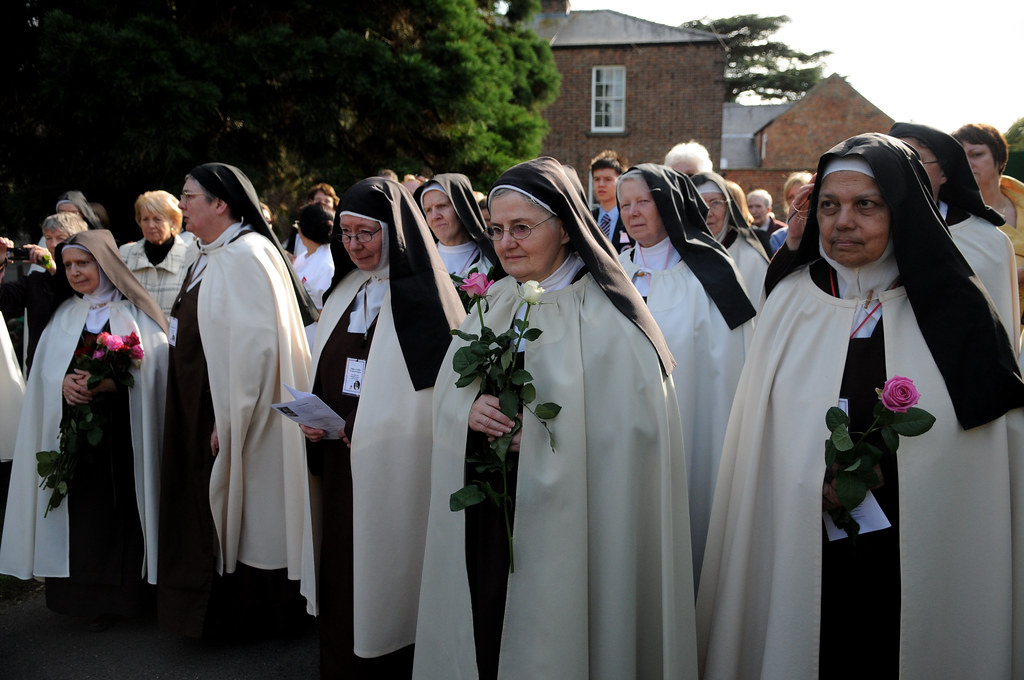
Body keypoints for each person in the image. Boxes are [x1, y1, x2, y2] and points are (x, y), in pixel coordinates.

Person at [696, 134, 1024, 679]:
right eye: (830, 205)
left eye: (865, 205)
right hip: (804, 538)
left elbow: (986, 450)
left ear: (904, 210)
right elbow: (762, 438)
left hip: (923, 547)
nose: (843, 221)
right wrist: (812, 476)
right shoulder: (791, 302)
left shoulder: (958, 310)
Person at [414, 157, 697, 679]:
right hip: (491, 518)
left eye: (522, 228)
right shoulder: (493, 300)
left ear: (565, 228)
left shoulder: (613, 316)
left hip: (578, 524)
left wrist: (551, 437)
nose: (506, 243)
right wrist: (468, 410)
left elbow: (639, 430)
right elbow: (449, 393)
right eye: (496, 229)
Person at [299, 177, 464, 677]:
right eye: (345, 234)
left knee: (385, 570)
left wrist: (371, 427)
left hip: (390, 465)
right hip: (337, 453)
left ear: (393, 232)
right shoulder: (346, 286)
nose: (353, 245)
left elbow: (433, 399)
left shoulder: (426, 298)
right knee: (341, 565)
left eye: (365, 233)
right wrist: (315, 418)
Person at [157, 162, 316, 639]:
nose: (180, 205)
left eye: (188, 196)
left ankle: (242, 619)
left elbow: (257, 350)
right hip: (199, 403)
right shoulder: (206, 254)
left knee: (248, 510)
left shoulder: (247, 254)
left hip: (231, 410)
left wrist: (231, 418)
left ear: (220, 203)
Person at [0, 230, 168, 630]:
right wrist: (61, 382)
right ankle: (87, 599)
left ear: (105, 265)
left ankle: (130, 597)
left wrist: (114, 383)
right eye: (70, 266)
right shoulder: (64, 315)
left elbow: (158, 370)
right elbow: (43, 370)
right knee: (83, 516)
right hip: (75, 443)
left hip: (125, 438)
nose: (75, 273)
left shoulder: (137, 314)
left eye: (84, 264)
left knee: (125, 512)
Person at [616, 164, 755, 582]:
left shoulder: (710, 274)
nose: (633, 212)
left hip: (690, 425)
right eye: (625, 204)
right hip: (622, 428)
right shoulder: (612, 269)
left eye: (644, 201)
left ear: (670, 204)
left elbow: (731, 365)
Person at [890, 122, 1020, 349]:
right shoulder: (862, 228)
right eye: (895, 160)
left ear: (944, 172)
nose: (906, 169)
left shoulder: (988, 239)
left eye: (916, 159)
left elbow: (1000, 330)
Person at [0, 212, 89, 373]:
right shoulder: (35, 280)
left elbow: (71, 293)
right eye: (48, 238)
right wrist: (0, 264)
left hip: (75, 370)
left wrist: (51, 266)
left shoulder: (88, 278)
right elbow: (4, 299)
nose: (53, 244)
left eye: (60, 238)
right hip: (39, 369)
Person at [952, 123, 1024, 299]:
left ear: (999, 159)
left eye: (976, 154)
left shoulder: (1020, 196)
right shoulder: (949, 216)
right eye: (960, 156)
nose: (968, 163)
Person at [692, 171, 771, 308]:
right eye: (700, 203)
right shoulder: (678, 253)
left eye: (715, 203)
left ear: (728, 208)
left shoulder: (751, 258)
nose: (708, 212)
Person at [119, 190, 194, 316]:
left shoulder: (190, 256)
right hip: (133, 333)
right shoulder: (125, 253)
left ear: (173, 222)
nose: (150, 225)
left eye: (157, 219)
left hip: (171, 333)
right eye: (145, 219)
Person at [415, 173, 498, 279]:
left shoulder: (491, 260)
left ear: (461, 208)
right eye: (428, 210)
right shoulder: (419, 262)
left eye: (442, 206)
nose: (435, 216)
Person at [589, 149, 633, 251]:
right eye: (596, 179)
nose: (601, 184)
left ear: (621, 181)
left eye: (608, 179)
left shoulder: (631, 219)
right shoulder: (587, 219)